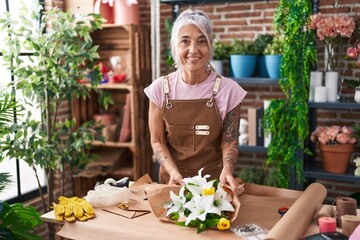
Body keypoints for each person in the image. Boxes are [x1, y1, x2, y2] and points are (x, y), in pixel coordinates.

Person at [144, 9, 247, 191]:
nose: (193, 50)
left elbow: (229, 141)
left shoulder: (229, 91)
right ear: (175, 48)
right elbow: (157, 140)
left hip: (213, 187)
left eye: (201, 41)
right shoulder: (159, 89)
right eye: (185, 41)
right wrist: (173, 172)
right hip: (172, 185)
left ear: (210, 46)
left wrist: (228, 170)